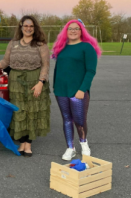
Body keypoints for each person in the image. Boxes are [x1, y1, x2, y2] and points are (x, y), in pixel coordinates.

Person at [0, 16, 51, 157]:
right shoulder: (13, 43)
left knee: (32, 112)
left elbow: (46, 65)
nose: (28, 28)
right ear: (21, 27)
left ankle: (28, 144)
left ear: (35, 28)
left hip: (34, 80)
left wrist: (41, 82)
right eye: (26, 25)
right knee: (19, 111)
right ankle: (21, 142)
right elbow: (5, 62)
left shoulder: (40, 45)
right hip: (16, 82)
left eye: (31, 26)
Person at [52, 19, 101, 161]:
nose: (73, 31)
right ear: (66, 31)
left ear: (81, 31)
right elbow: (58, 69)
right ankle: (70, 148)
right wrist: (56, 86)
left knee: (79, 120)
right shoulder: (62, 47)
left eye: (76, 28)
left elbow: (90, 71)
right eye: (70, 28)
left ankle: (84, 144)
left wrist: (82, 89)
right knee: (66, 119)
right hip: (61, 90)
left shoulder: (87, 47)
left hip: (78, 91)